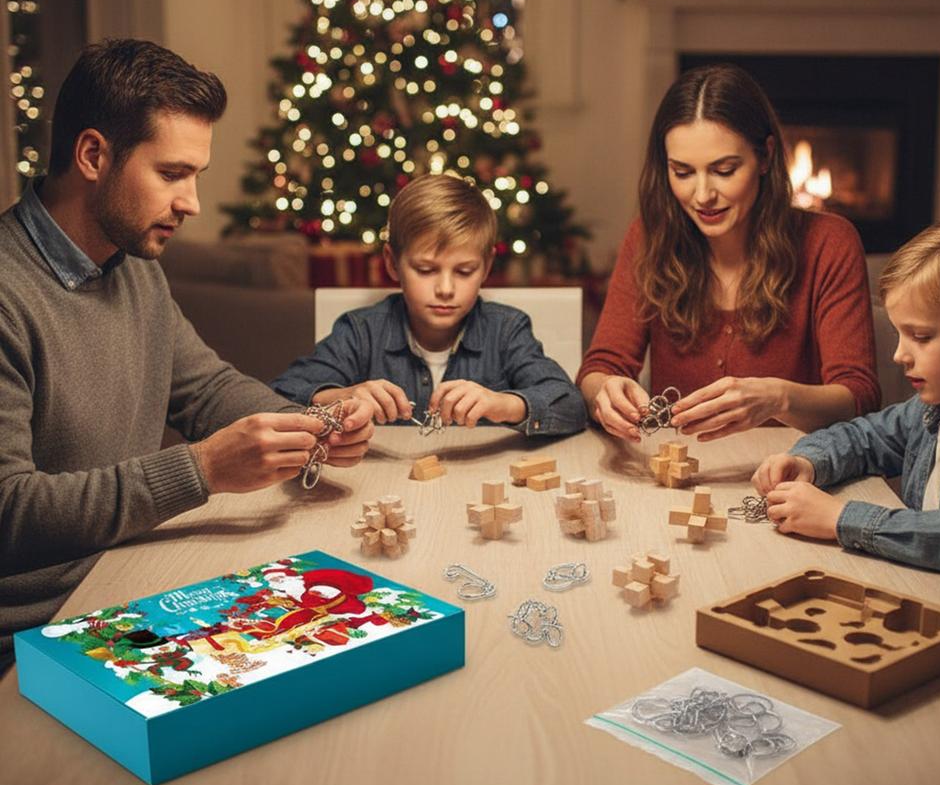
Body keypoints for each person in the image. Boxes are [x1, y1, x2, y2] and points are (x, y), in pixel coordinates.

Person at [0, 39, 374, 672]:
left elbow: (205, 390)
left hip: (134, 575)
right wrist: (199, 470)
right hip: (38, 635)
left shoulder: (132, 264)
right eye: (172, 174)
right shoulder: (10, 292)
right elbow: (11, 513)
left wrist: (310, 421)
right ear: (93, 155)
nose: (192, 203)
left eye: (195, 176)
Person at [754, 216, 940, 650]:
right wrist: (807, 461)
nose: (899, 355)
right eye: (900, 334)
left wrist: (842, 519)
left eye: (920, 336)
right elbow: (865, 436)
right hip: (925, 618)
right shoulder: (934, 406)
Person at [578, 64, 880, 443]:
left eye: (724, 170)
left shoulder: (829, 243)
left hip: (793, 471)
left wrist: (778, 399)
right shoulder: (647, 237)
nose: (702, 195)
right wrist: (604, 391)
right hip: (680, 476)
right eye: (683, 172)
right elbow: (600, 367)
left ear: (766, 157)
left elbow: (859, 397)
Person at [271, 173, 587, 436]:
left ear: (487, 266)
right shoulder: (361, 331)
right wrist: (341, 396)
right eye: (426, 270)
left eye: (464, 271)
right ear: (392, 263)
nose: (446, 289)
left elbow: (570, 405)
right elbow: (279, 395)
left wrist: (502, 404)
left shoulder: (506, 329)